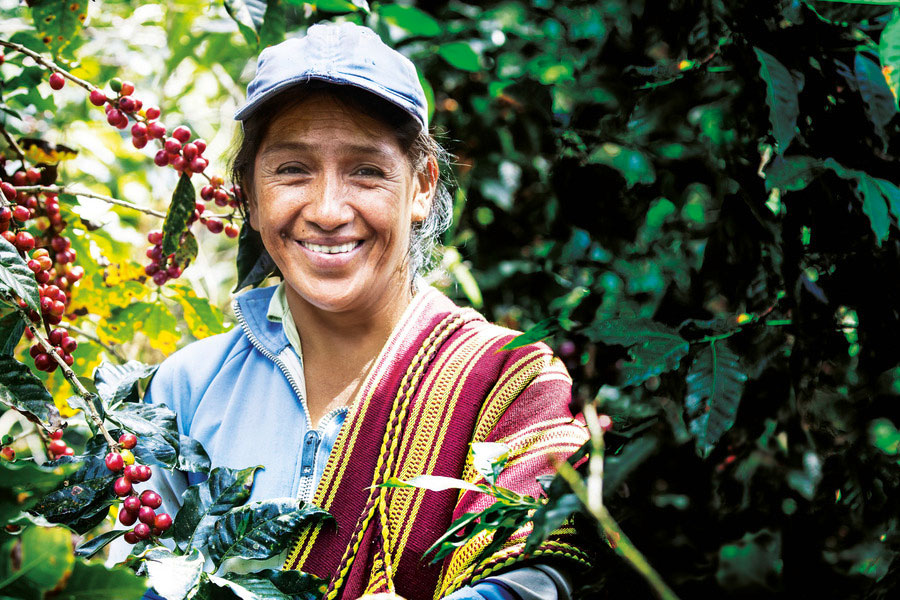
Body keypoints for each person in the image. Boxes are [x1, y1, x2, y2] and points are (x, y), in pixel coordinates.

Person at [133, 21, 589, 600]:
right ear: (248, 194)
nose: (326, 210)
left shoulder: (507, 378)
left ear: (421, 187)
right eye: (292, 170)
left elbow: (541, 574)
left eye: (367, 171)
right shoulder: (186, 390)